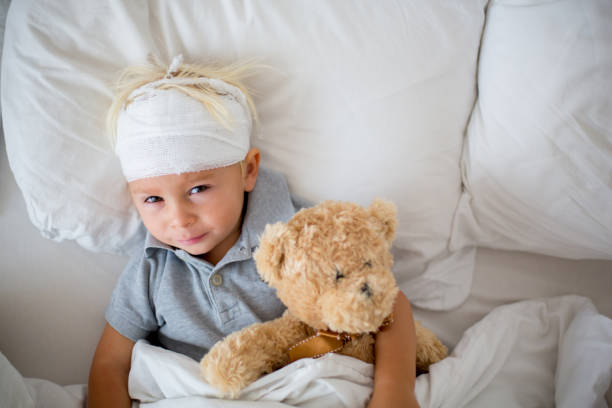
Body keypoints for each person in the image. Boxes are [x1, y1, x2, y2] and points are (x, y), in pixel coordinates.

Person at [88, 55, 419, 408]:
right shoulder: (151, 267)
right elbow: (111, 362)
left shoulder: (301, 233)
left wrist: (394, 391)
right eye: (153, 198)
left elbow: (388, 302)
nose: (179, 219)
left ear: (248, 171)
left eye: (198, 190)